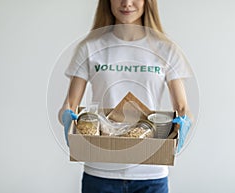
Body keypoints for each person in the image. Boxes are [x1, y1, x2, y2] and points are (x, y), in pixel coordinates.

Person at [59, 0, 193, 192]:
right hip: (100, 172)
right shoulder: (90, 47)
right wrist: (68, 120)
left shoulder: (166, 49)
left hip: (150, 173)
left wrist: (184, 123)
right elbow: (69, 105)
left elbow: (182, 108)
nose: (126, 3)